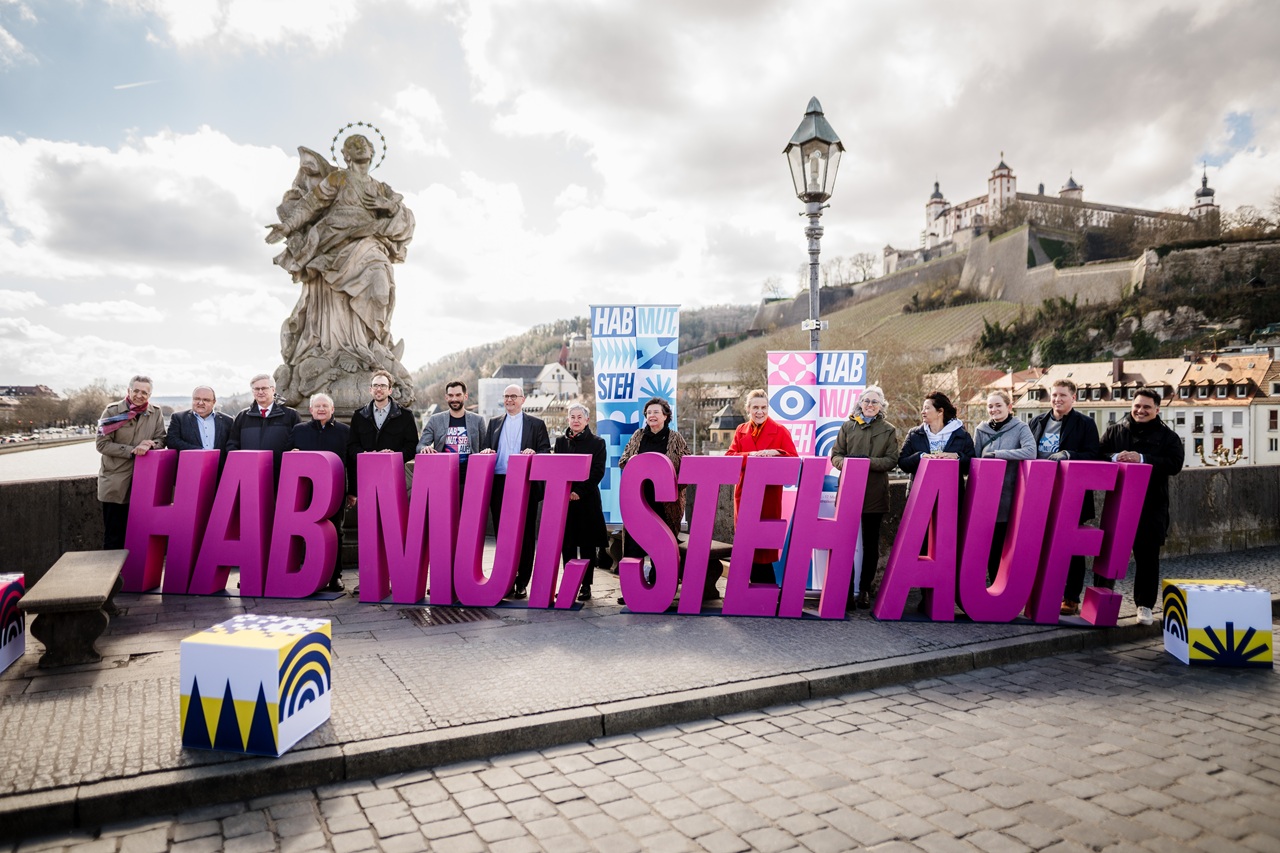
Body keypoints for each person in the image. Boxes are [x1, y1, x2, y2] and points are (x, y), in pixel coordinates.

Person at [267, 134, 417, 403]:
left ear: (371, 152)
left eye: (364, 144)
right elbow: (311, 205)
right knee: (336, 305)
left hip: (370, 245)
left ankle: (368, 345)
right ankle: (342, 350)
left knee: (381, 292)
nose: (360, 147)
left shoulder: (382, 188)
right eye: (353, 145)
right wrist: (287, 227)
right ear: (346, 155)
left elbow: (404, 216)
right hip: (333, 245)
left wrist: (389, 206)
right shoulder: (337, 179)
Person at [1099, 387, 1184, 625]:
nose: (1141, 410)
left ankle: (1144, 606)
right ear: (1131, 406)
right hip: (1118, 503)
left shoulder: (1169, 437)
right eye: (1137, 405)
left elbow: (1175, 464)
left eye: (1147, 407)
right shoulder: (1115, 431)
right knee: (1108, 555)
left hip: (1152, 505)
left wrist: (1143, 459)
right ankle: (1101, 604)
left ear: (1157, 410)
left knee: (1148, 558)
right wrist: (1116, 457)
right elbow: (1097, 454)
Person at [1027, 379, 1102, 616]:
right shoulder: (1036, 422)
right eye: (1054, 395)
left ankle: (1071, 597)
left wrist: (1069, 454)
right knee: (1040, 544)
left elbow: (1094, 455)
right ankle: (1042, 593)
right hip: (1041, 492)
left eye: (1062, 395)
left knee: (1072, 548)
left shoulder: (1085, 424)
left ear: (1074, 398)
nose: (1057, 399)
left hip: (1072, 494)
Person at [829, 385, 898, 609]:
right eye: (866, 401)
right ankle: (846, 591)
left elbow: (891, 460)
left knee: (870, 545)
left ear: (881, 406)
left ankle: (865, 590)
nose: (869, 405)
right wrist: (848, 464)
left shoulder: (888, 430)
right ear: (860, 403)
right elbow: (835, 455)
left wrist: (866, 463)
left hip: (875, 494)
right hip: (849, 492)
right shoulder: (848, 426)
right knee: (844, 543)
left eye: (874, 402)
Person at [479, 384, 551, 599]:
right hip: (499, 483)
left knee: (526, 534)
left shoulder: (536, 424)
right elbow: (485, 449)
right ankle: (506, 580)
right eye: (506, 396)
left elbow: (546, 450)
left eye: (513, 396)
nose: (509, 400)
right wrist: (486, 451)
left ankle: (522, 582)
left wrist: (534, 452)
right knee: (503, 534)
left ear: (523, 399)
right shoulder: (493, 423)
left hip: (525, 483)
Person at [616, 397, 689, 604]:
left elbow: (687, 467)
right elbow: (622, 461)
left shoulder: (675, 438)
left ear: (666, 416)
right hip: (639, 500)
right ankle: (631, 589)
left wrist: (674, 487)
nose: (652, 416)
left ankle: (660, 586)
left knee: (662, 545)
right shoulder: (638, 436)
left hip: (665, 503)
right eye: (648, 413)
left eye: (656, 412)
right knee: (632, 545)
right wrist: (631, 461)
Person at [726, 389, 799, 585]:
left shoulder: (781, 431)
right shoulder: (741, 430)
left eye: (763, 407)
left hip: (769, 494)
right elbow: (729, 458)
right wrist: (753, 455)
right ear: (748, 409)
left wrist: (776, 452)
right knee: (746, 541)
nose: (760, 411)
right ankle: (750, 588)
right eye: (755, 407)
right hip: (745, 494)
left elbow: (793, 460)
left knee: (764, 543)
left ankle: (764, 588)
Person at [288, 393, 354, 592]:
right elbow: (287, 454)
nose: (321, 409)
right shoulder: (298, 430)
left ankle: (335, 577)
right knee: (307, 534)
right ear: (310, 410)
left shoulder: (345, 431)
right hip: (307, 493)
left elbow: (352, 463)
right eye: (317, 406)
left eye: (325, 406)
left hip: (335, 493)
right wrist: (291, 454)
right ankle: (309, 573)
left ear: (332, 410)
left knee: (336, 533)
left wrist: (352, 492)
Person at [95, 375, 166, 550]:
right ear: (128, 391)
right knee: (114, 537)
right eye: (136, 390)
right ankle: (113, 577)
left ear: (149, 395)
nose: (140, 395)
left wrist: (151, 445)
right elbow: (101, 444)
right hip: (115, 483)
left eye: (145, 392)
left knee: (140, 537)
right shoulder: (112, 412)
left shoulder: (155, 412)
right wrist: (132, 451)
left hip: (142, 484)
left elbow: (161, 439)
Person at [973, 390, 1037, 581]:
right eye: (990, 406)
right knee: (990, 547)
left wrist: (999, 454)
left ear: (1009, 407)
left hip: (1010, 497)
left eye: (998, 405)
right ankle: (993, 588)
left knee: (1006, 545)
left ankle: (1008, 588)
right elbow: (975, 459)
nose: (994, 410)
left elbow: (1030, 452)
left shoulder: (1020, 428)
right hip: (985, 498)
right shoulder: (981, 429)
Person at [554, 403, 608, 602]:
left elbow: (598, 472)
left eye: (579, 417)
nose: (575, 420)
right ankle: (569, 583)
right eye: (572, 417)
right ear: (568, 420)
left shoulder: (597, 443)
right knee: (567, 545)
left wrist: (579, 491)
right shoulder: (560, 442)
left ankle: (586, 585)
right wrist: (566, 491)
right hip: (565, 501)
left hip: (587, 501)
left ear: (586, 420)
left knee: (587, 545)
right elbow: (557, 469)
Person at [347, 370, 419, 501]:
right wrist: (365, 455)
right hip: (368, 475)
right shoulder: (358, 416)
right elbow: (352, 445)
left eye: (383, 386)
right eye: (375, 385)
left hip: (395, 475)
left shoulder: (405, 416)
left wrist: (394, 456)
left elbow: (412, 445)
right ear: (370, 389)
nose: (378, 389)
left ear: (390, 390)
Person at [411, 380, 488, 493]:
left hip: (470, 476)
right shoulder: (435, 420)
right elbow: (420, 445)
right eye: (451, 395)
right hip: (442, 475)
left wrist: (486, 451)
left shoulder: (478, 420)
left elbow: (484, 447)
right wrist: (424, 448)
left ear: (465, 396)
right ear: (446, 397)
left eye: (458, 395)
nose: (454, 399)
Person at [226, 374, 301, 480]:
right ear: (252, 391)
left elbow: (298, 444)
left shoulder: (291, 415)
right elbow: (232, 445)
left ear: (273, 389)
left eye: (264, 388)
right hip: (250, 476)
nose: (260, 392)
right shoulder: (242, 417)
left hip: (281, 476)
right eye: (256, 389)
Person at [898, 391, 975, 479]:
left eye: (927, 408)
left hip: (951, 490)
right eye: (923, 408)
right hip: (921, 490)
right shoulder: (914, 434)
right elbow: (902, 463)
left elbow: (971, 466)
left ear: (940, 411)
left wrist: (957, 457)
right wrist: (920, 457)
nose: (922, 412)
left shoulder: (962, 435)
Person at [166, 386, 232, 455]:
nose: (200, 403)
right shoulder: (179, 418)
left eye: (206, 400)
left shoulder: (227, 421)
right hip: (190, 464)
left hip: (220, 465)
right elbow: (171, 441)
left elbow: (231, 445)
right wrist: (200, 452)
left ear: (214, 402)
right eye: (197, 399)